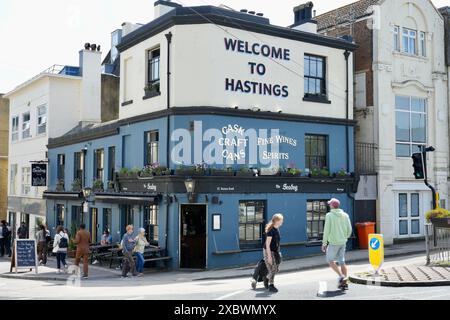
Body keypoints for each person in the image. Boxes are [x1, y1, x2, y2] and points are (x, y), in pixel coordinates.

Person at [321, 198, 353, 289]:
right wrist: (345, 237)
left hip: (333, 243)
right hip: (343, 242)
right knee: (342, 261)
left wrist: (324, 243)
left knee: (330, 261)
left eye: (329, 204)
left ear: (332, 206)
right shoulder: (345, 215)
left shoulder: (329, 215)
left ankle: (341, 276)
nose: (329, 206)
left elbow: (326, 230)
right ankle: (344, 282)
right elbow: (349, 230)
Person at [262, 213, 284, 293]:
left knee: (276, 269)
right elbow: (267, 245)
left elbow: (277, 242)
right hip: (268, 251)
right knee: (272, 269)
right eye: (281, 220)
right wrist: (269, 257)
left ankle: (266, 277)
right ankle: (271, 285)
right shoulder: (271, 230)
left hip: (275, 251)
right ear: (277, 221)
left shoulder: (277, 228)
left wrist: (278, 252)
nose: (282, 221)